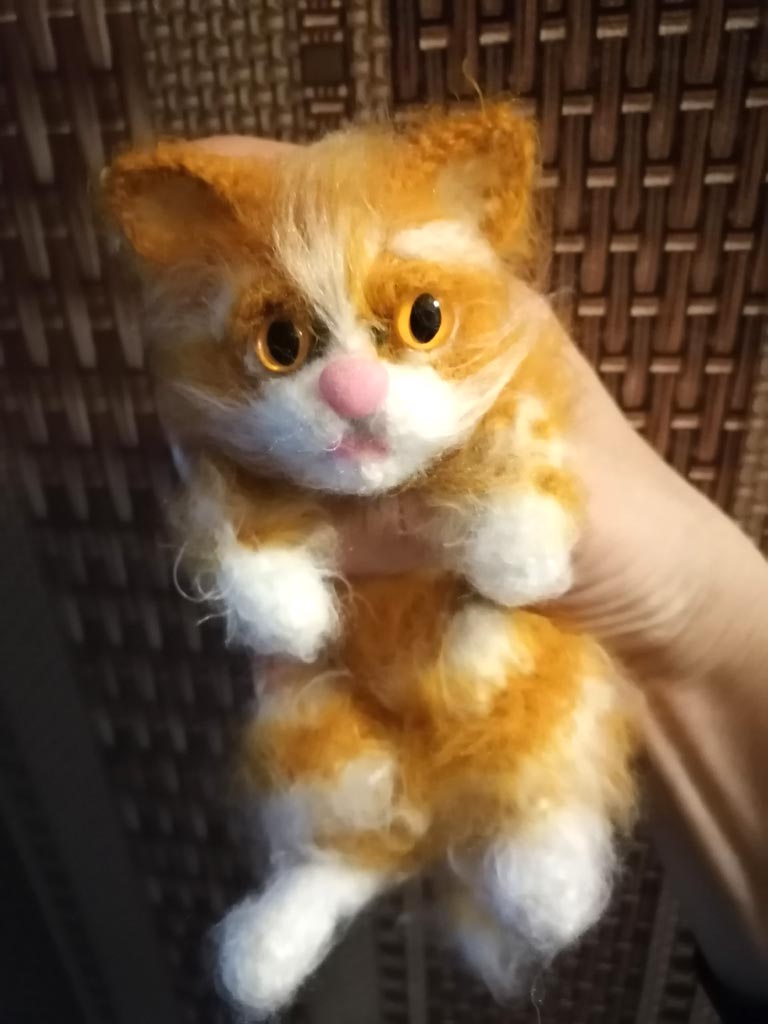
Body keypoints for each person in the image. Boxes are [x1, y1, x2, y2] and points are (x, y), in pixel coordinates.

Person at [196, 136, 768, 1017]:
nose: (352, 388)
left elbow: (529, 487)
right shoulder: (250, 471)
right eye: (283, 342)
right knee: (309, 737)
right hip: (354, 689)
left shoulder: (507, 417)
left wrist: (514, 513)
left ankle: (541, 813)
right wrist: (263, 567)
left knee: (530, 683)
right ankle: (325, 875)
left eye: (420, 323)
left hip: (482, 645)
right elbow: (244, 539)